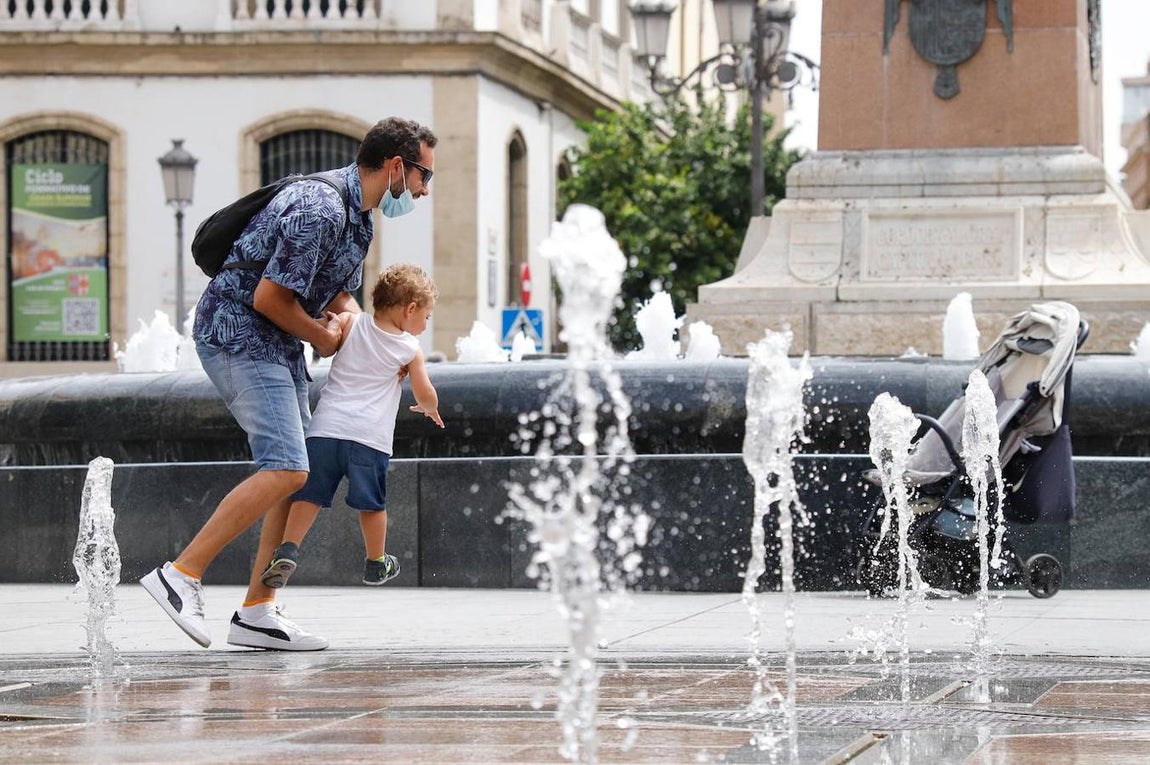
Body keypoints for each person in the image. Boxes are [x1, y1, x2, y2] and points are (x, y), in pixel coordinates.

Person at [140, 117, 437, 651]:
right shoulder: (319, 207)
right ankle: (180, 574)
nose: (423, 190)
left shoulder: (359, 220)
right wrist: (323, 339)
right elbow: (269, 298)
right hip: (237, 335)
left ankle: (258, 611)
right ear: (397, 166)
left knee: (295, 473)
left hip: (275, 345)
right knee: (287, 466)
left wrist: (366, 337)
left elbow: (338, 294)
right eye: (423, 176)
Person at [259, 263, 443, 592]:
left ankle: (288, 549)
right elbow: (425, 393)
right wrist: (429, 407)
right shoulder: (409, 350)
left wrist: (330, 323)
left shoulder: (349, 321)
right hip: (369, 439)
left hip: (325, 430)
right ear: (410, 308)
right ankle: (376, 561)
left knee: (309, 496)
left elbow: (328, 337)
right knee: (372, 505)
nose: (425, 325)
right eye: (426, 317)